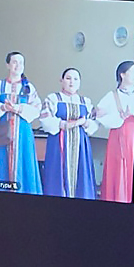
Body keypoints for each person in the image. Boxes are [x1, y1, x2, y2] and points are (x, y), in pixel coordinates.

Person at [0, 52, 42, 194]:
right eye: (15, 62)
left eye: (21, 62)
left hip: (22, 131)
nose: (18, 65)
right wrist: (3, 107)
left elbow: (36, 109)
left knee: (24, 161)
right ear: (8, 65)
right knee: (1, 161)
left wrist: (18, 108)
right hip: (3, 129)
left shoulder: (28, 87)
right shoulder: (0, 85)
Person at [41, 67, 98, 199]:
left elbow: (94, 122)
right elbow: (46, 119)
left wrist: (85, 122)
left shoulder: (85, 101)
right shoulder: (53, 99)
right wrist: (66, 124)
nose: (72, 82)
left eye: (76, 79)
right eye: (68, 78)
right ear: (61, 81)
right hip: (58, 143)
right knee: (57, 173)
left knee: (81, 173)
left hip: (80, 144)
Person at [94, 60, 134, 203]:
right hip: (118, 137)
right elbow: (99, 115)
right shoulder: (111, 96)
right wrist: (119, 116)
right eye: (132, 72)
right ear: (122, 75)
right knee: (118, 169)